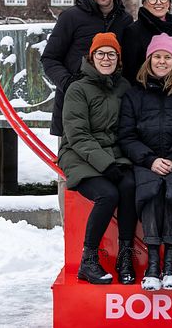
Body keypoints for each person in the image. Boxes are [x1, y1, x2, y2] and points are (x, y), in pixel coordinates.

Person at [119, 33, 172, 291]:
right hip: (145, 161)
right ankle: (154, 262)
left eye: (167, 57)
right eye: (157, 57)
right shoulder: (134, 95)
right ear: (149, 60)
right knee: (152, 190)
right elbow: (126, 135)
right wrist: (150, 159)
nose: (162, 62)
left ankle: (170, 263)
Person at [58, 32, 137, 285]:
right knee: (108, 194)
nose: (106, 58)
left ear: (118, 59)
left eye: (111, 54)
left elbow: (128, 127)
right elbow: (77, 135)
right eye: (101, 54)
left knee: (129, 187)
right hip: (79, 155)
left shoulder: (123, 87)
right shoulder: (77, 89)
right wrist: (106, 164)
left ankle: (125, 255)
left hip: (114, 153)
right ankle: (88, 259)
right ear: (91, 57)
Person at [41, 0, 133, 137]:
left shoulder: (125, 20)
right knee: (72, 159)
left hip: (110, 108)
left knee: (109, 160)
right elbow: (50, 58)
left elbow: (126, 60)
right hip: (74, 105)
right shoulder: (71, 17)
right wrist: (69, 84)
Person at [121, 0, 172, 84]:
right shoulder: (133, 32)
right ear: (145, 2)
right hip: (144, 94)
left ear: (169, 2)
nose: (158, 3)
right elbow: (129, 72)